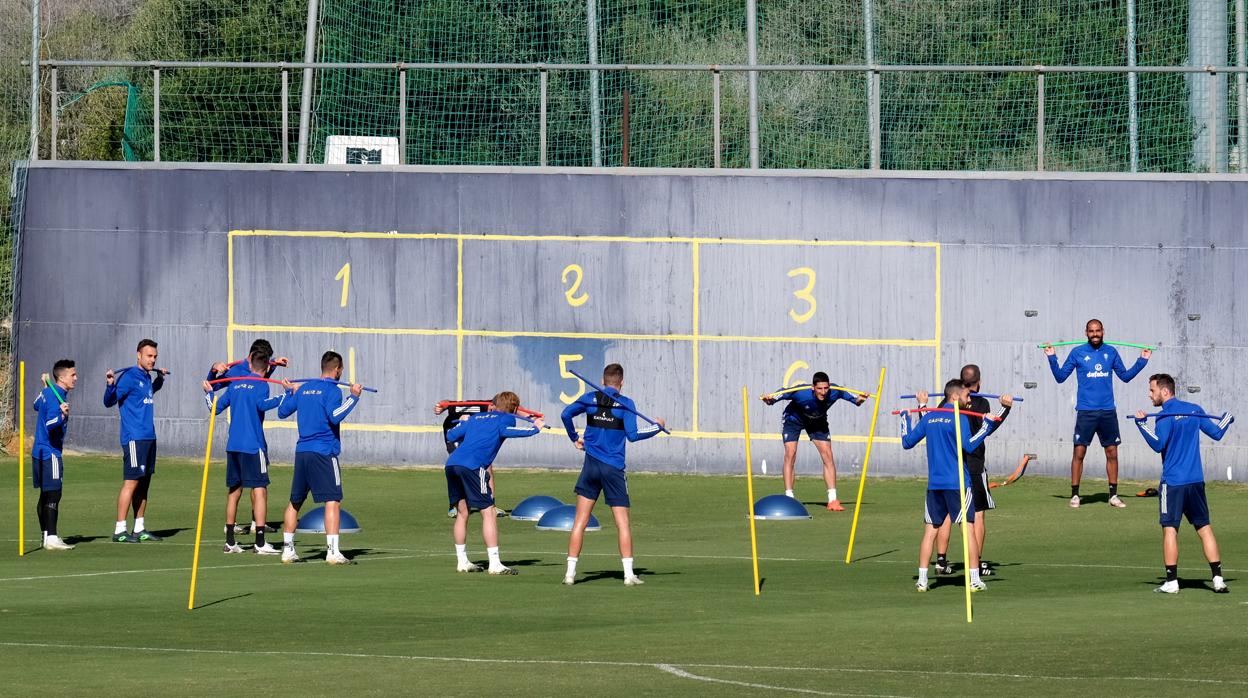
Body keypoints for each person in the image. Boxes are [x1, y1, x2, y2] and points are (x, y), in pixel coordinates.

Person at [901, 380, 1011, 592]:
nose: (970, 401)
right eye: (967, 396)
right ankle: (974, 579)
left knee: (930, 531)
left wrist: (907, 417)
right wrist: (987, 425)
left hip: (935, 485)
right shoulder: (959, 418)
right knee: (968, 531)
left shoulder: (931, 417)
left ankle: (922, 580)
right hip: (958, 484)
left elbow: (907, 442)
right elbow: (969, 446)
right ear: (954, 396)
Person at [559, 363, 664, 586]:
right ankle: (628, 575)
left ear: (603, 380)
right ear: (621, 382)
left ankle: (570, 574)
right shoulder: (626, 404)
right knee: (622, 523)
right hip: (613, 469)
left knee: (580, 520)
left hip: (591, 466)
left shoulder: (590, 398)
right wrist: (656, 427)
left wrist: (573, 437)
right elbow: (633, 436)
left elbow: (565, 414)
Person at [1132, 373, 1233, 594]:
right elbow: (1217, 432)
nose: (1150, 395)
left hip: (1173, 484)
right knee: (1204, 528)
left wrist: (1141, 424)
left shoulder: (1164, 416)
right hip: (1196, 481)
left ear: (1165, 391)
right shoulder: (1194, 409)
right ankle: (1218, 579)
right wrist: (1227, 418)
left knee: (1170, 530)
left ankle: (1171, 581)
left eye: (1152, 390)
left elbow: (1158, 444)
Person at [1044, 319, 1150, 508]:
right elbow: (1060, 377)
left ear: (1103, 331)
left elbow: (1125, 377)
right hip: (1086, 411)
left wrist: (1142, 360)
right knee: (1079, 452)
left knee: (1112, 453)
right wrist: (1052, 357)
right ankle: (1075, 495)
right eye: (1091, 331)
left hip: (1108, 411)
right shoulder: (1077, 352)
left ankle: (1113, 496)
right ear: (1086, 332)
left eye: (1098, 331)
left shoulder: (1111, 352)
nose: (1095, 334)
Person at [201, 350, 293, 555]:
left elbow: (214, 408)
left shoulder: (235, 385)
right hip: (253, 446)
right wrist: (286, 395)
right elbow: (263, 405)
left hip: (233, 446)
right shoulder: (262, 385)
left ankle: (230, 541)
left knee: (234, 491)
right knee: (260, 490)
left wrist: (208, 393)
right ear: (267, 368)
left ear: (250, 365)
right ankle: (260, 542)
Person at [276, 350, 362, 565]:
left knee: (295, 501)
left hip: (302, 452)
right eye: (341, 370)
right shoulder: (332, 391)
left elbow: (282, 411)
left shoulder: (304, 389)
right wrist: (354, 397)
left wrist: (289, 392)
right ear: (337, 369)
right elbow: (335, 416)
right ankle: (332, 552)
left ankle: (288, 550)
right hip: (324, 452)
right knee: (332, 500)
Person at [444, 391, 543, 575]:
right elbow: (512, 432)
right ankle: (495, 564)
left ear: (493, 405)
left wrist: (465, 422)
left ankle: (462, 562)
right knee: (488, 512)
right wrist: (536, 428)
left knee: (462, 513)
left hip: (452, 464)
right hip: (474, 467)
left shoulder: (476, 418)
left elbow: (451, 435)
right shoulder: (506, 420)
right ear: (514, 410)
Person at [933, 364, 1012, 577]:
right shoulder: (980, 402)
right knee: (976, 515)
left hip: (951, 466)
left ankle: (941, 560)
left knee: (949, 514)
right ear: (979, 382)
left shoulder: (947, 401)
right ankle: (975, 562)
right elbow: (988, 428)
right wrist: (1005, 409)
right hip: (974, 465)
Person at [760, 371, 866, 511]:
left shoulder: (836, 391)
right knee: (790, 454)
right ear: (813, 388)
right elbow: (780, 394)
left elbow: (857, 400)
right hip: (794, 420)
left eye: (826, 388)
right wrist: (770, 399)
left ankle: (833, 500)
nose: (823, 392)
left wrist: (861, 398)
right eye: (819, 389)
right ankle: (789, 498)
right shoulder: (800, 392)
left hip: (817, 421)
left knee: (828, 455)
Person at [103, 339, 167, 543]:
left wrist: (159, 379)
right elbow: (108, 402)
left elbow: (146, 394)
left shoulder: (146, 377)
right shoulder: (129, 377)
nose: (153, 359)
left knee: (144, 484)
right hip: (134, 438)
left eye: (155, 356)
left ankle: (139, 528)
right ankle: (120, 530)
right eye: (149, 356)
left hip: (149, 437)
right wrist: (110, 385)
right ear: (138, 355)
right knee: (131, 483)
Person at [32, 360, 77, 551]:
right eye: (72, 375)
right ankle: (51, 537)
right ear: (61, 377)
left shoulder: (48, 392)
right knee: (53, 493)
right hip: (50, 452)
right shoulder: (54, 397)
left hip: (39, 451)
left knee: (46, 494)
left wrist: (44, 387)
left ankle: (46, 535)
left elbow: (36, 405)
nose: (76, 378)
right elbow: (51, 424)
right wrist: (63, 415)